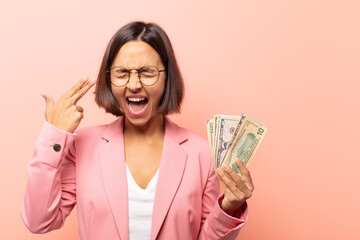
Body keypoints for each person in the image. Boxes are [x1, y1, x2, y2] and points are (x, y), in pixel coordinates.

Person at [21, 21, 254, 240]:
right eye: (122, 73)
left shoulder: (201, 154)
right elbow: (39, 221)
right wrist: (54, 135)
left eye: (147, 72)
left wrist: (228, 208)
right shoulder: (82, 145)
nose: (134, 84)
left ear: (167, 78)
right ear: (109, 80)